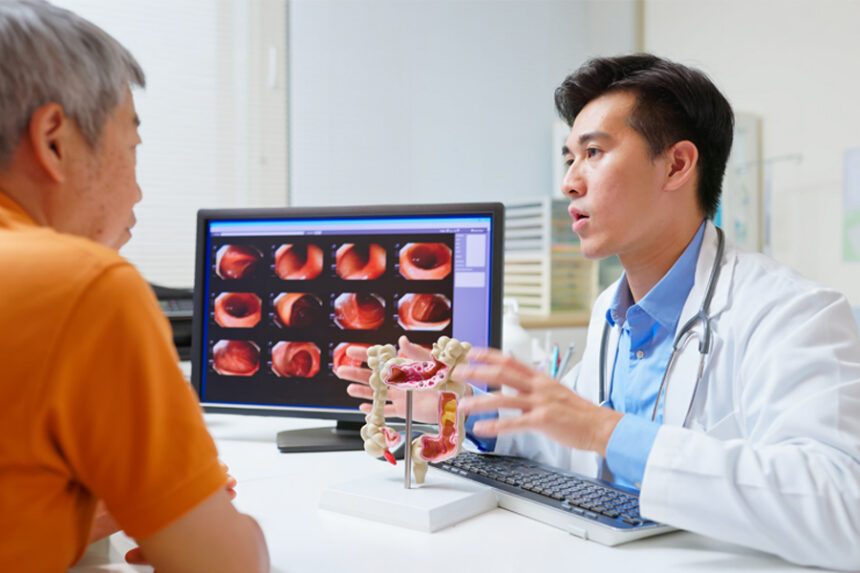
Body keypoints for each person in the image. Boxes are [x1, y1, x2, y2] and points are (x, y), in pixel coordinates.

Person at [341, 54, 860, 571]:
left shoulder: (794, 314)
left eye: (593, 152)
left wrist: (606, 431)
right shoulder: (609, 312)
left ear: (677, 164)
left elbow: (843, 509)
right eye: (569, 158)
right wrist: (458, 409)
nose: (570, 182)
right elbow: (575, 449)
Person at [0, 1, 269, 571]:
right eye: (131, 149)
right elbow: (226, 567)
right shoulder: (82, 287)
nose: (139, 193)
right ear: (53, 140)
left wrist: (69, 510)